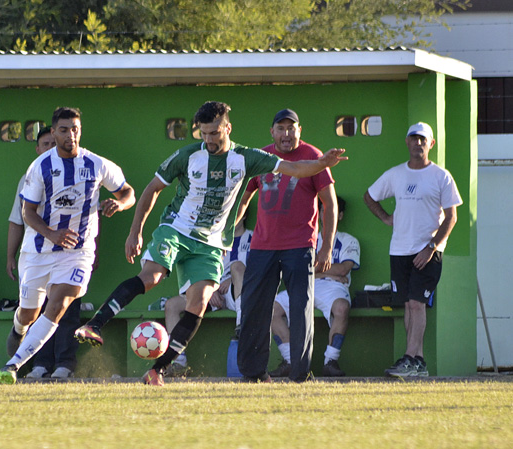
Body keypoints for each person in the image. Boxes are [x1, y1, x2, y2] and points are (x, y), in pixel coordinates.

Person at [74, 101, 346, 386]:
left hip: (212, 244)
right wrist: (135, 231)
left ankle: (159, 370)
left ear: (227, 128)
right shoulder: (188, 155)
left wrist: (322, 163)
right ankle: (94, 324)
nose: (209, 140)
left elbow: (295, 169)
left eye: (214, 133)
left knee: (199, 302)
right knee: (152, 277)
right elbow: (152, 189)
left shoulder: (247, 158)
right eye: (203, 134)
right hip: (177, 229)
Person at [0, 107, 136, 385]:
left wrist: (119, 204)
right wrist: (52, 234)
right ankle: (19, 330)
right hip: (38, 251)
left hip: (78, 252)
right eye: (64, 130)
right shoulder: (40, 167)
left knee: (60, 304)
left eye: (75, 129)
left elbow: (128, 192)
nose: (71, 135)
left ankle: (13, 366)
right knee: (28, 314)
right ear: (54, 132)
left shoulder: (97, 164)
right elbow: (28, 213)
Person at [237, 108, 339, 383]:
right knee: (253, 306)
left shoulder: (313, 156)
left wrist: (326, 247)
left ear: (299, 131)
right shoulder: (262, 157)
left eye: (291, 128)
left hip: (299, 246)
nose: (286, 134)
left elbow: (330, 203)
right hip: (262, 246)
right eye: (280, 128)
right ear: (272, 132)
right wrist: (228, 230)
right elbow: (243, 198)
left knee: (301, 308)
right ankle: (254, 372)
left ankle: (299, 374)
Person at [364, 122, 462, 378]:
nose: (418, 143)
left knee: (417, 304)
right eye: (413, 138)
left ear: (431, 144)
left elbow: (452, 217)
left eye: (423, 139)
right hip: (399, 250)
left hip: (428, 252)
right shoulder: (396, 174)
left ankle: (409, 359)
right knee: (408, 305)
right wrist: (385, 217)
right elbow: (370, 196)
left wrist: (430, 248)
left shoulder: (441, 176)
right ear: (406, 142)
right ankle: (417, 362)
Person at [6, 125, 82, 379]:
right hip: (37, 255)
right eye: (46, 144)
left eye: (54, 142)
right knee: (35, 311)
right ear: (38, 149)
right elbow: (18, 219)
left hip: (70, 254)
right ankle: (39, 364)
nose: (51, 147)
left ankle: (64, 364)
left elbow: (94, 216)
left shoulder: (81, 171)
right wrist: (10, 255)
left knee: (66, 308)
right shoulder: (29, 177)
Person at [269, 196, 360, 378]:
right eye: (322, 211)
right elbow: (297, 269)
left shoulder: (348, 240)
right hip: (305, 283)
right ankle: (289, 361)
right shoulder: (305, 237)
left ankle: (330, 361)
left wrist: (319, 270)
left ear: (339, 215)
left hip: (333, 288)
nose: (325, 216)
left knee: (342, 308)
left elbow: (343, 269)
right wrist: (327, 272)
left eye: (331, 212)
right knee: (272, 308)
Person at [163, 210, 252, 377]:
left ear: (244, 215)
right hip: (215, 292)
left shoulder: (254, 238)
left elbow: (260, 271)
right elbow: (203, 269)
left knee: (237, 266)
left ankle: (242, 325)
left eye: (237, 212)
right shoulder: (215, 240)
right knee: (172, 305)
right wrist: (211, 288)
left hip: (239, 293)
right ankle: (178, 362)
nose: (232, 217)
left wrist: (232, 280)